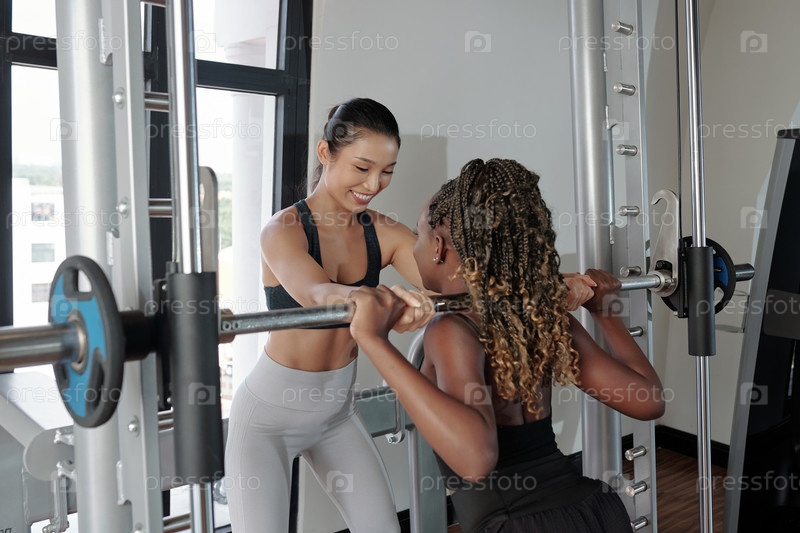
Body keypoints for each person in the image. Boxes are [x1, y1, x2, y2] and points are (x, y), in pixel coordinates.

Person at [225, 99, 595, 531]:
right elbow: (316, 294)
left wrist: (548, 283)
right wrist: (380, 298)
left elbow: (467, 278)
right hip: (268, 416)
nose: (373, 184)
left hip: (335, 414)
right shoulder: (283, 230)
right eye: (362, 168)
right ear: (325, 153)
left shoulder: (380, 232)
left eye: (387, 171)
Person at [348, 158, 666, 533]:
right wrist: (605, 312)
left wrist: (373, 339)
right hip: (593, 511)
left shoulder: (450, 329)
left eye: (418, 237)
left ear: (437, 247)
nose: (414, 248)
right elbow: (648, 400)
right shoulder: (542, 316)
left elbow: (475, 461)